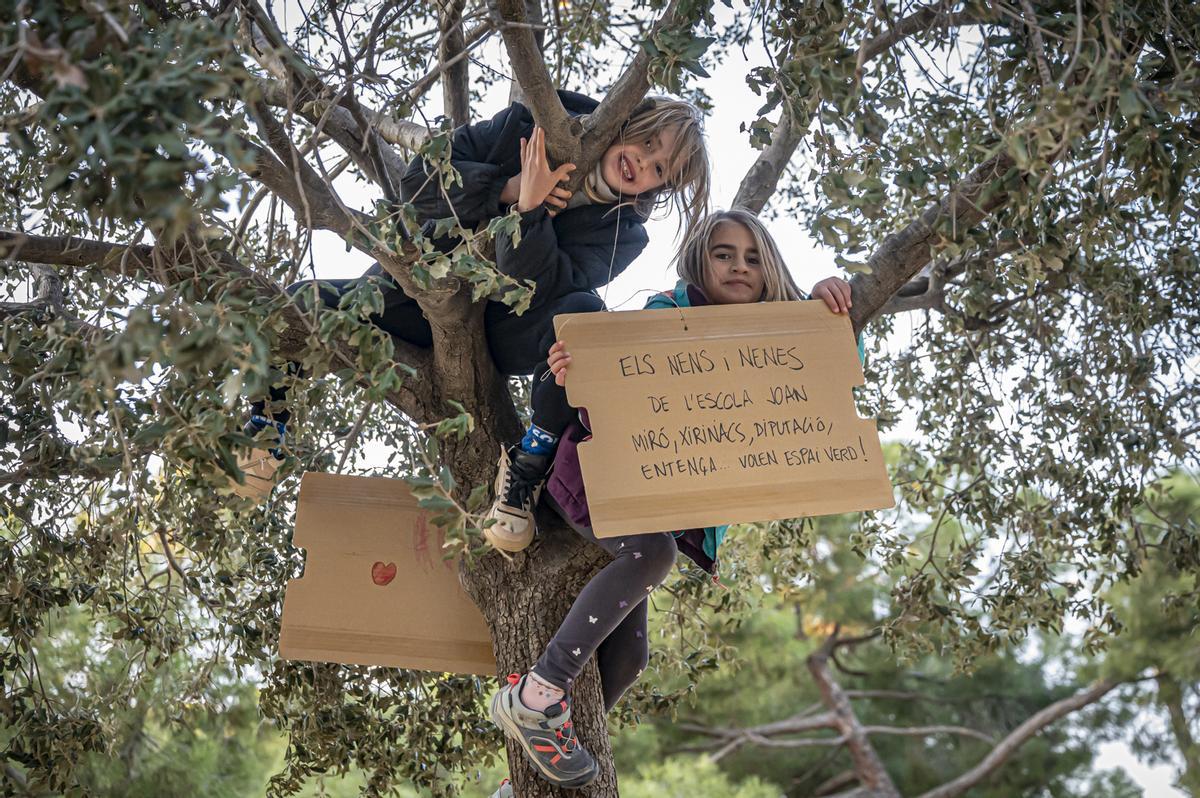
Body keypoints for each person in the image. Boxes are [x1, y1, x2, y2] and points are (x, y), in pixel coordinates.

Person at [486, 208, 855, 791]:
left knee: (631, 659)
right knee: (651, 555)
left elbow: (814, 380)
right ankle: (539, 691)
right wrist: (571, 366)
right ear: (699, 262)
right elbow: (608, 369)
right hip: (596, 474)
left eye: (754, 258)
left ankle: (525, 768)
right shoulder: (669, 313)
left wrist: (825, 295)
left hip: (660, 499)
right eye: (724, 254)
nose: (739, 266)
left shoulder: (774, 337)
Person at [228, 92, 710, 506]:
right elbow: (417, 186)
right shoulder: (523, 125)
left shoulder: (624, 235)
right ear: (628, 120)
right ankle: (266, 427)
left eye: (659, 168)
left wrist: (529, 211)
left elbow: (536, 286)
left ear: (660, 186)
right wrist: (507, 188)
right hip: (411, 296)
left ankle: (532, 456)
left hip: (503, 333)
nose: (642, 163)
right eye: (647, 143)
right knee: (294, 303)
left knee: (585, 317)